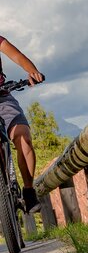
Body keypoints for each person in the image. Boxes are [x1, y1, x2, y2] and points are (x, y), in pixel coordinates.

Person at [0, 37, 45, 213]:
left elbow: (17, 56)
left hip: (2, 98)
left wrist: (32, 71)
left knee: (23, 137)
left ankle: (28, 191)